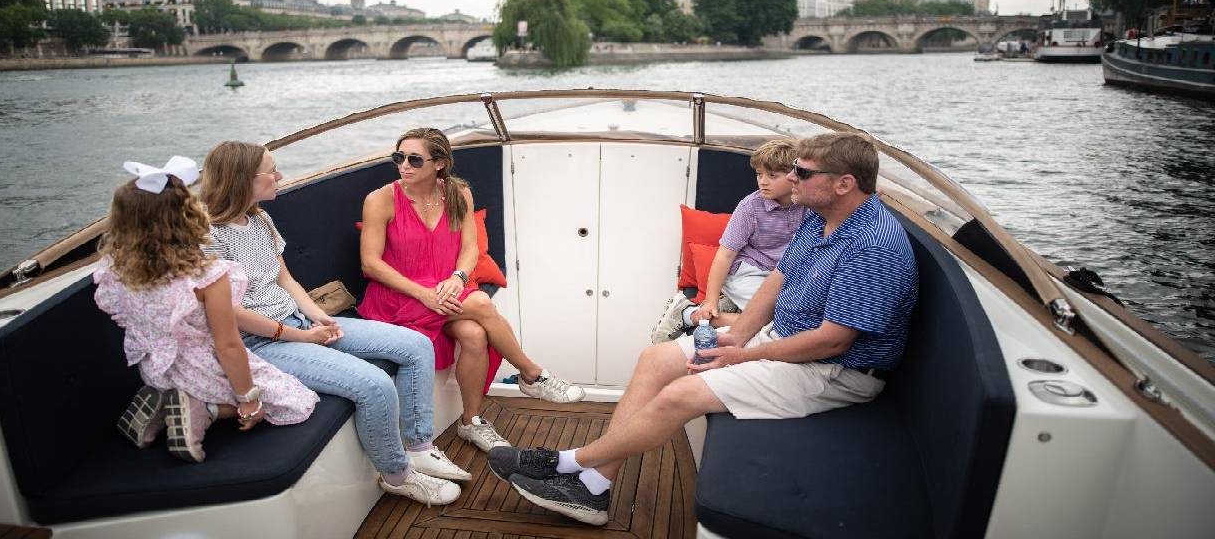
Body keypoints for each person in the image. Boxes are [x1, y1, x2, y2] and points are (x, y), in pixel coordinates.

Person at [488, 132, 919, 526]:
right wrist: (738, 334)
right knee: (656, 358)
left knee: (680, 394)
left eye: (802, 172)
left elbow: (834, 339)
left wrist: (742, 354)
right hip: (779, 341)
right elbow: (778, 280)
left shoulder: (873, 246)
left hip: (833, 370)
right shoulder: (819, 215)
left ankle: (568, 463)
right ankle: (596, 487)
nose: (791, 178)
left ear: (844, 183)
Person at [200, 141, 469, 507]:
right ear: (242, 179)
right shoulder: (207, 237)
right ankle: (397, 475)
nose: (280, 176)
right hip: (261, 344)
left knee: (415, 345)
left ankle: (420, 447)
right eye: (272, 171)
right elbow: (229, 313)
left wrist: (319, 315)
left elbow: (286, 280)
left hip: (296, 321)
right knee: (374, 384)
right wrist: (304, 336)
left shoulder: (259, 219)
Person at [359, 128, 585, 453]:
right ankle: (532, 374)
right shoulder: (381, 199)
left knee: (475, 336)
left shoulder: (457, 192)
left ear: (438, 163)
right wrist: (423, 294)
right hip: (400, 298)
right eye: (399, 157)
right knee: (480, 302)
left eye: (413, 159)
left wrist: (458, 277)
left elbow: (470, 247)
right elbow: (371, 264)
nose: (403, 165)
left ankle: (471, 421)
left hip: (447, 293)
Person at [94, 155, 318, 463]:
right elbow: (227, 345)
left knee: (178, 385)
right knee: (297, 401)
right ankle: (205, 408)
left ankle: (162, 405)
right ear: (186, 213)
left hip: (155, 368)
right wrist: (248, 402)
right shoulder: (207, 274)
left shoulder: (113, 270)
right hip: (202, 368)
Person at [649, 138, 805, 343]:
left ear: (794, 176)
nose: (763, 181)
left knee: (799, 316)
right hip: (749, 270)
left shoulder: (807, 203)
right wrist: (710, 301)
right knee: (774, 322)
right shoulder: (750, 206)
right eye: (759, 174)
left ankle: (725, 310)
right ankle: (692, 314)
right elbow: (725, 253)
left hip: (784, 274)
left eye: (772, 175)